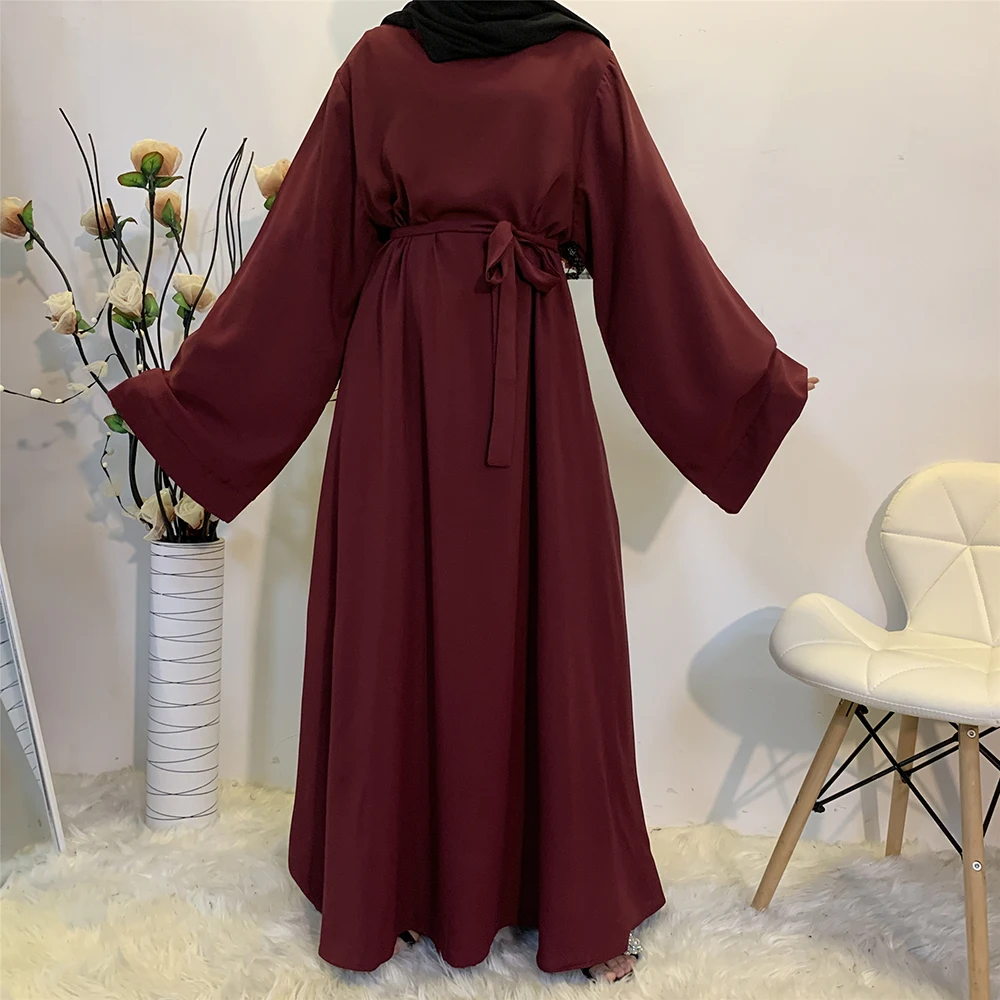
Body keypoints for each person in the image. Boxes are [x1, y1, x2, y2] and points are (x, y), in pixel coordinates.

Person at [108, 1, 817, 985]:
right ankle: (391, 887)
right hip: (398, 390)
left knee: (548, 623)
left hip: (529, 389)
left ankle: (564, 897)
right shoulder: (379, 62)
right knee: (395, 618)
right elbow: (307, 252)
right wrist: (197, 403)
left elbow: (650, 243)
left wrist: (745, 383)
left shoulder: (580, 66)